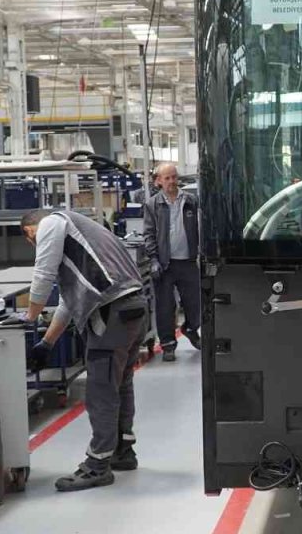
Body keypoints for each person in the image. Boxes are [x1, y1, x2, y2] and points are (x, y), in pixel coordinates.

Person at [22, 209, 149, 491]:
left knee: (101, 391)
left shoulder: (51, 222)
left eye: (31, 239)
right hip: (134, 308)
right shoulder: (83, 233)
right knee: (120, 383)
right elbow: (70, 301)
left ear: (30, 231)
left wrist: (28, 319)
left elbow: (42, 274)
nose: (35, 244)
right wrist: (47, 343)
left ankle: (97, 466)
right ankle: (123, 451)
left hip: (111, 313)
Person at [142, 162, 203, 361]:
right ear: (159, 181)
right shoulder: (153, 204)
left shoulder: (191, 201)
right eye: (167, 178)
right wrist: (153, 259)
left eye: (174, 177)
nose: (172, 181)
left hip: (188, 261)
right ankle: (168, 344)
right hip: (164, 264)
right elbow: (149, 234)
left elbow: (201, 228)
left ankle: (191, 328)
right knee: (165, 307)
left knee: (195, 303)